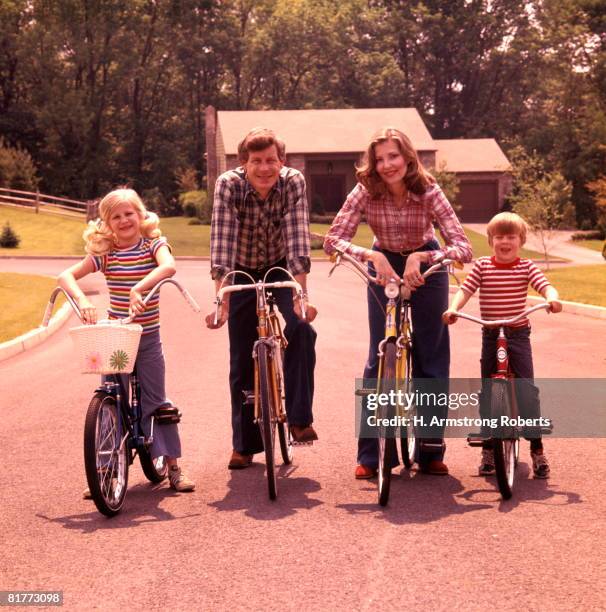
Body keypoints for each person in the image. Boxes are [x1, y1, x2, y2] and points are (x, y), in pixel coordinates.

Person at [324, 127, 472, 479]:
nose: (387, 164)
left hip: (427, 265)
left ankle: (430, 448)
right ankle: (372, 455)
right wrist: (370, 257)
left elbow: (463, 247)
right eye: (379, 159)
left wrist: (422, 257)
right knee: (380, 356)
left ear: (408, 157)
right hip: (384, 266)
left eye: (393, 156)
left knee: (430, 357)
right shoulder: (365, 191)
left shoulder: (429, 191)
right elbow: (332, 240)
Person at [58, 188, 195, 494]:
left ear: (140, 214)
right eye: (115, 217)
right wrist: (82, 301)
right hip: (117, 339)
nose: (123, 221)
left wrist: (139, 288)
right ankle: (105, 472)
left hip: (147, 338)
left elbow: (168, 266)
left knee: (156, 401)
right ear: (106, 223)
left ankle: (173, 467)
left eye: (129, 214)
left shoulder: (152, 245)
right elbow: (66, 277)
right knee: (110, 400)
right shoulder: (106, 254)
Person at [205, 127, 318, 470]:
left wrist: (301, 296)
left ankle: (299, 418)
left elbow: (298, 236)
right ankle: (244, 444)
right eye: (257, 161)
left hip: (282, 265)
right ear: (244, 163)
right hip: (240, 268)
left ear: (281, 161)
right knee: (241, 352)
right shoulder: (229, 184)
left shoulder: (293, 181)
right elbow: (222, 242)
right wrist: (221, 299)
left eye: (271, 161)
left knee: (301, 329)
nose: (265, 168)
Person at [443, 211, 562, 478]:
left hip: (517, 333)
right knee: (489, 390)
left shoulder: (526, 266)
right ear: (490, 240)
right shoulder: (483, 265)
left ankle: (537, 449)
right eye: (499, 237)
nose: (505, 241)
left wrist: (552, 299)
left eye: (511, 236)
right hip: (491, 333)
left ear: (521, 240)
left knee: (526, 390)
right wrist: (452, 308)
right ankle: (489, 449)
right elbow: (466, 290)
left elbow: (545, 286)